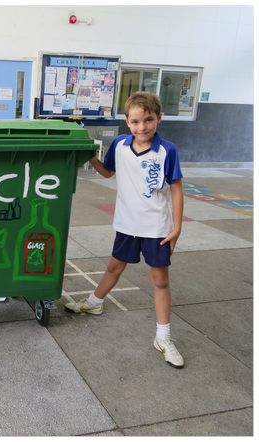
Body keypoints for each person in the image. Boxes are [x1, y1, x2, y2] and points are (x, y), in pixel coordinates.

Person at [65, 92, 185, 369]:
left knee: (160, 282)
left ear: (158, 119)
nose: (142, 127)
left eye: (148, 120)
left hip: (157, 228)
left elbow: (177, 190)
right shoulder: (119, 144)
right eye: (135, 121)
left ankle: (164, 338)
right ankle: (95, 302)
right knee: (113, 268)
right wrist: (85, 155)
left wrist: (177, 228)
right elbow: (108, 172)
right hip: (126, 225)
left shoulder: (168, 150)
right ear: (126, 122)